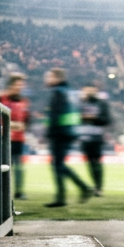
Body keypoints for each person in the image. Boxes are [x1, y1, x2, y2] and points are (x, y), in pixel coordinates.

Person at [43, 68, 92, 208]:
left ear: (57, 78)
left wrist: (48, 133)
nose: (47, 80)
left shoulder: (57, 92)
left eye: (49, 77)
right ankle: (70, 193)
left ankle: (72, 192)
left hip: (60, 133)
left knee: (57, 164)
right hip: (70, 132)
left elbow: (54, 115)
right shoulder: (71, 92)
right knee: (58, 164)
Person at [0, 74, 32, 200]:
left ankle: (19, 192)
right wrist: (10, 124)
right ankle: (2, 192)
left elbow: (27, 121)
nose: (19, 87)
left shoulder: (24, 102)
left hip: (18, 139)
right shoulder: (1, 98)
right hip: (4, 138)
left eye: (21, 85)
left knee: (19, 167)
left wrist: (20, 125)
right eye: (17, 84)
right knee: (4, 166)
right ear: (10, 85)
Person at [77, 84, 111, 196]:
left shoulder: (101, 103)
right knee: (90, 163)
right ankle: (96, 186)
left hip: (96, 138)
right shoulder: (80, 104)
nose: (88, 92)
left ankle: (99, 187)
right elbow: (76, 118)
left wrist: (94, 118)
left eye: (90, 90)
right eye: (86, 90)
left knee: (97, 162)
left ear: (95, 90)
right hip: (84, 138)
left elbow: (106, 120)